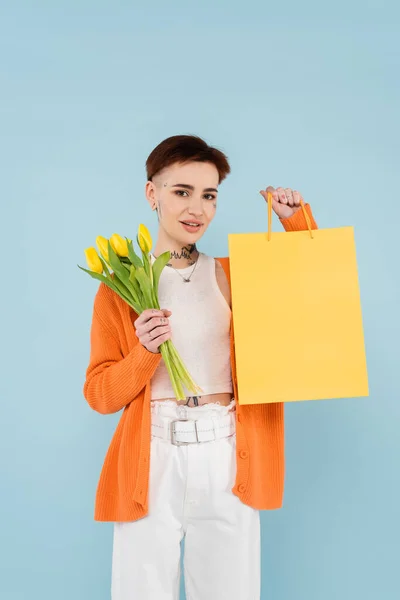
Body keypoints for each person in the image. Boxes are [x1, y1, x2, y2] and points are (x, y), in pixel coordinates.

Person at [83, 134, 318, 600]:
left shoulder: (235, 274)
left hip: (228, 456)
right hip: (152, 459)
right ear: (152, 194)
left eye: (209, 195)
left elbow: (313, 292)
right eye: (181, 191)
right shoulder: (119, 287)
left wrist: (296, 222)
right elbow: (100, 395)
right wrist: (144, 352)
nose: (197, 208)